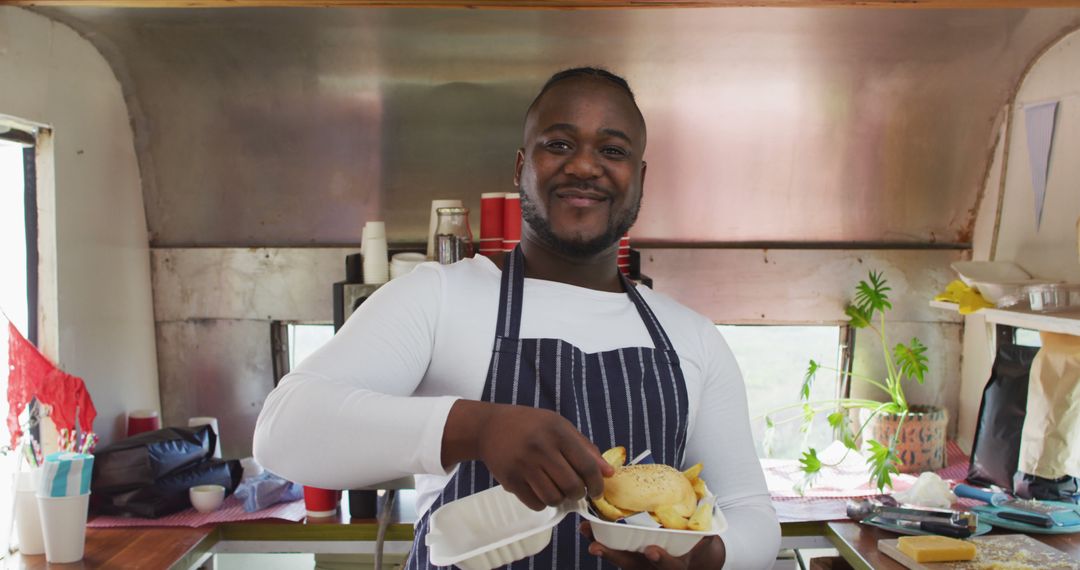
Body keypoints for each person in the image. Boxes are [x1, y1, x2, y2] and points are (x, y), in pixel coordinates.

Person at [254, 67, 780, 569]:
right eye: (559, 144)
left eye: (613, 150)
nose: (584, 165)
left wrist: (707, 558)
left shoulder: (692, 337)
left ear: (638, 179)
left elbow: (752, 514)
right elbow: (282, 432)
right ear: (520, 166)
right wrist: (477, 427)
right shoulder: (437, 298)